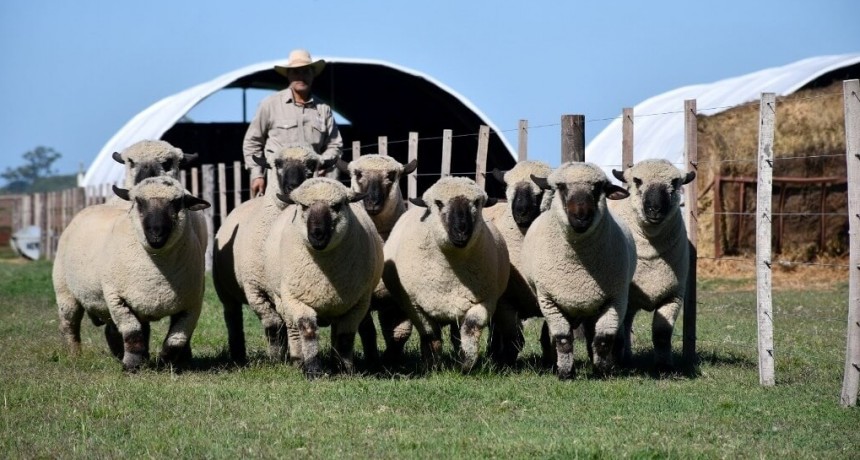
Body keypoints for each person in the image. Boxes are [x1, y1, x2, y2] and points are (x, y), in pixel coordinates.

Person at [243, 49, 343, 197]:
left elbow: (335, 144)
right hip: (278, 183)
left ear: (313, 74)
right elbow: (252, 142)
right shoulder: (270, 105)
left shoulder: (323, 110)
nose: (301, 76)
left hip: (311, 183)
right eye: (296, 72)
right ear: (288, 75)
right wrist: (257, 175)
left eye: (306, 71)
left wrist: (321, 161)